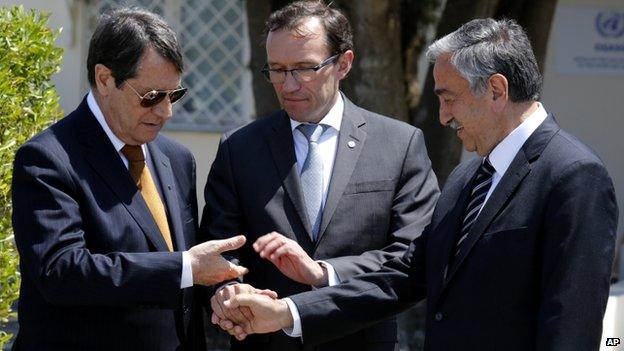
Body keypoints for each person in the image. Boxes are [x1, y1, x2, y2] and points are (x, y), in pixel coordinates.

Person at [217, 18, 619, 351]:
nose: (443, 116)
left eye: (449, 98)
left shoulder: (572, 176)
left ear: (496, 90)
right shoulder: (468, 178)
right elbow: (404, 275)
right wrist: (288, 313)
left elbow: (569, 327)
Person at [10, 8, 253, 351]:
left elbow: (185, 267)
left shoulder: (176, 158)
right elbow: (61, 272)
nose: (166, 111)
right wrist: (186, 267)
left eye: (175, 95)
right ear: (105, 79)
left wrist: (223, 293)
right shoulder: (48, 159)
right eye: (152, 97)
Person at [202, 1, 439, 350]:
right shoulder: (239, 148)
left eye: (304, 68)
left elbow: (413, 255)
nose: (288, 84)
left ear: (344, 63)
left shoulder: (399, 145)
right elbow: (220, 247)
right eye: (277, 70)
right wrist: (228, 290)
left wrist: (325, 272)